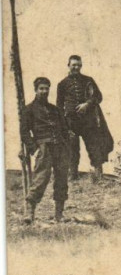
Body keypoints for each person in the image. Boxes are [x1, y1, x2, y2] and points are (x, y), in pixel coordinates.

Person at [20, 77, 71, 224]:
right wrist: (34, 148)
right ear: (36, 90)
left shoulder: (55, 109)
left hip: (60, 148)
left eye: (46, 88)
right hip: (44, 148)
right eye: (41, 88)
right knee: (41, 179)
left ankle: (59, 214)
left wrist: (66, 145)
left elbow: (64, 129)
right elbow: (24, 132)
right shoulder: (28, 109)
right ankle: (29, 213)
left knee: (61, 180)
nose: (44, 91)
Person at [56, 55, 113, 182]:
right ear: (68, 65)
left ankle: (98, 175)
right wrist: (63, 124)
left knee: (94, 146)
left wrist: (87, 104)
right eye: (74, 65)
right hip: (71, 122)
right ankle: (73, 175)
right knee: (72, 149)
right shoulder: (62, 84)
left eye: (79, 65)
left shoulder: (88, 80)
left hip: (88, 121)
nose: (76, 67)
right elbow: (59, 106)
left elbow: (98, 96)